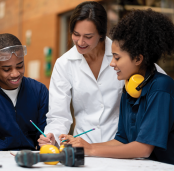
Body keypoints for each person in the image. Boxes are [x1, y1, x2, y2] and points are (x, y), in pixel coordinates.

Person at [38, 1, 165, 147]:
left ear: (101, 34)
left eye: (88, 36)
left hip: (122, 147)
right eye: (76, 34)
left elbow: (159, 80)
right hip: (84, 148)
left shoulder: (124, 55)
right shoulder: (64, 64)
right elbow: (59, 116)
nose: (80, 42)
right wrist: (52, 136)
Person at [60, 9, 174, 165]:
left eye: (117, 57)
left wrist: (91, 150)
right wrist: (83, 146)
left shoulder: (161, 87)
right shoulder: (130, 88)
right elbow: (122, 140)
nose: (112, 63)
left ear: (138, 59)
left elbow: (143, 149)